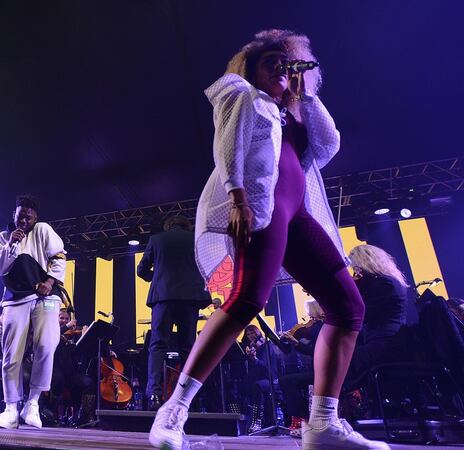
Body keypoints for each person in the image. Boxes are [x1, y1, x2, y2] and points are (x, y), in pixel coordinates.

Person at [148, 29, 389, 449]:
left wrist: (305, 96)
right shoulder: (243, 96)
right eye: (271, 62)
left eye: (287, 62)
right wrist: (238, 198)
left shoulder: (293, 112)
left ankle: (323, 424)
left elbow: (330, 144)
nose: (282, 68)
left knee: (349, 307)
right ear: (251, 68)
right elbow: (227, 148)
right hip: (261, 208)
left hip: (297, 216)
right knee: (243, 301)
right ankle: (172, 412)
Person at [0, 195, 67, 429]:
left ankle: (32, 403)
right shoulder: (2, 237)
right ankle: (10, 409)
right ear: (14, 214)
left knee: (46, 344)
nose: (24, 219)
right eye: (20, 215)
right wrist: (11, 244)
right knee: (11, 354)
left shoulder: (43, 230)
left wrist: (50, 283)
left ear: (36, 218)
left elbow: (60, 257)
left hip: (48, 296)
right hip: (14, 298)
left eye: (28, 216)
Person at [136, 215, 212, 410]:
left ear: (168, 225)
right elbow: (206, 269)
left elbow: (141, 270)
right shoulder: (196, 239)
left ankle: (154, 394)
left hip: (163, 296)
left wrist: (158, 276)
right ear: (186, 226)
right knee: (188, 347)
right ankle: (189, 398)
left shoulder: (156, 239)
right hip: (189, 297)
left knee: (158, 345)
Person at [345, 245, 410, 385]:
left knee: (341, 365)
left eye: (356, 267)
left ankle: (345, 404)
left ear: (365, 262)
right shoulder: (386, 281)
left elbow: (366, 315)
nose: (356, 273)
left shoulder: (384, 283)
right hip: (383, 339)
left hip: (386, 342)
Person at [279, 299, 325, 434]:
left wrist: (296, 343)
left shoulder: (319, 327)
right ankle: (300, 417)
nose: (308, 319)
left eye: (309, 314)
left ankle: (301, 418)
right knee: (288, 379)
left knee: (287, 380)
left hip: (323, 371)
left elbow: (315, 350)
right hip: (315, 369)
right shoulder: (314, 328)